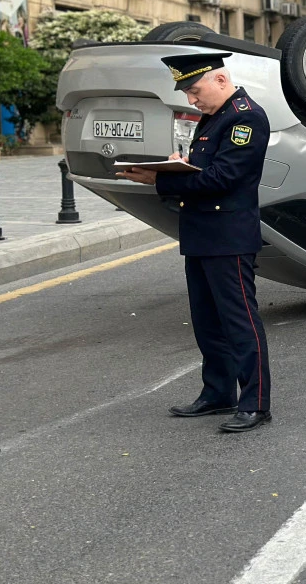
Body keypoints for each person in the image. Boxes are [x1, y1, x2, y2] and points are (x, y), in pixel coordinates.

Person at [117, 52, 273, 433]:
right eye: (187, 92)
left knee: (240, 322)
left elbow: (222, 179)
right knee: (207, 322)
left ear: (220, 80)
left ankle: (255, 403)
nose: (191, 99)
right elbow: (205, 169)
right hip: (202, 233)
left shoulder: (245, 117)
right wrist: (179, 164)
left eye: (194, 89)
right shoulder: (215, 116)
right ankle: (219, 393)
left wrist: (159, 179)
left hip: (228, 236)